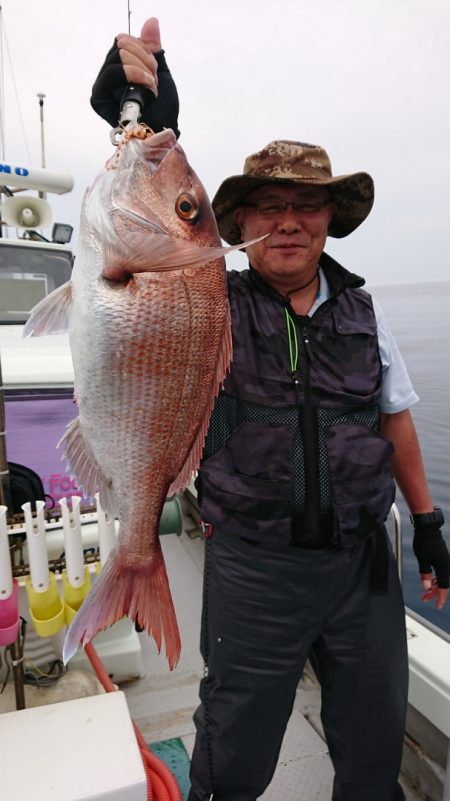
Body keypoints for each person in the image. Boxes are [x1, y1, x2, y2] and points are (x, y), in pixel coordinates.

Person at [91, 18, 450, 801]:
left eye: (307, 205)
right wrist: (149, 123)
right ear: (242, 225)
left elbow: (395, 418)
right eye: (269, 206)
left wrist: (427, 526)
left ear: (329, 219)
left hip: (363, 570)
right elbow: (154, 254)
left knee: (373, 751)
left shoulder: (364, 312)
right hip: (254, 569)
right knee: (235, 755)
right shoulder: (209, 298)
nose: (289, 220)